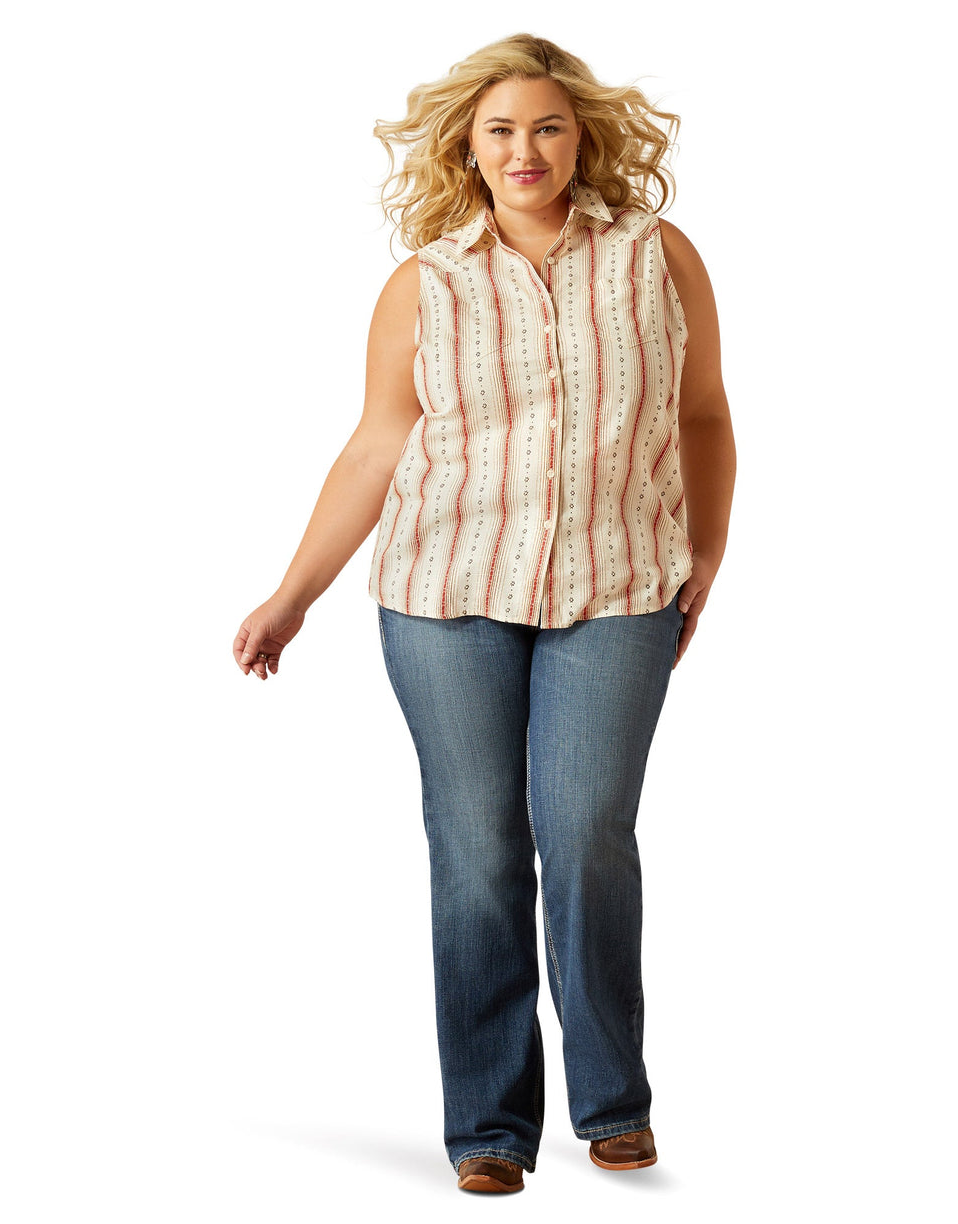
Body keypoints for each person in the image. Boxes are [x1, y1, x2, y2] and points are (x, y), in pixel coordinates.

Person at [232, 33, 735, 1194]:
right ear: (468, 144)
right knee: (477, 855)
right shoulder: (427, 282)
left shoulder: (658, 258)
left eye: (549, 127)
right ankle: (491, 1130)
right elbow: (377, 445)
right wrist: (291, 594)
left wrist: (706, 550)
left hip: (617, 587)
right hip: (444, 595)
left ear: (582, 138)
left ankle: (614, 1102)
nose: (527, 149)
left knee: (588, 833)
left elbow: (705, 416)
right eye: (502, 129)